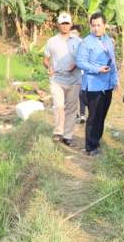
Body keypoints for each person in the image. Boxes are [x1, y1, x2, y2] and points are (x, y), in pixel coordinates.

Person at [76, 12, 118, 156]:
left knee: (102, 115)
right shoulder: (86, 42)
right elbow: (80, 62)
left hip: (107, 85)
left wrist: (115, 79)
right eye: (93, 25)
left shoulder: (108, 40)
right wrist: (97, 69)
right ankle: (90, 146)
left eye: (98, 25)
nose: (96, 28)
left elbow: (112, 60)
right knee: (94, 117)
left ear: (104, 25)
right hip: (93, 85)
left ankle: (96, 141)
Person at [43, 12, 81, 147]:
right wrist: (49, 67)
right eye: (62, 23)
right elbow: (46, 59)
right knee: (58, 105)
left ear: (71, 24)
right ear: (58, 25)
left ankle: (67, 135)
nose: (65, 26)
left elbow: (83, 58)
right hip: (57, 79)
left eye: (67, 23)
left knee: (71, 108)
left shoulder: (78, 41)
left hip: (74, 79)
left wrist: (75, 64)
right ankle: (58, 132)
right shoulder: (51, 41)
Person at [70, 24, 88, 124]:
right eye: (71, 33)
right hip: (70, 73)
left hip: (81, 73)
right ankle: (75, 114)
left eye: (75, 33)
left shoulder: (82, 43)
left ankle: (82, 114)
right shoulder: (67, 43)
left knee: (81, 94)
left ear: (79, 33)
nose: (73, 35)